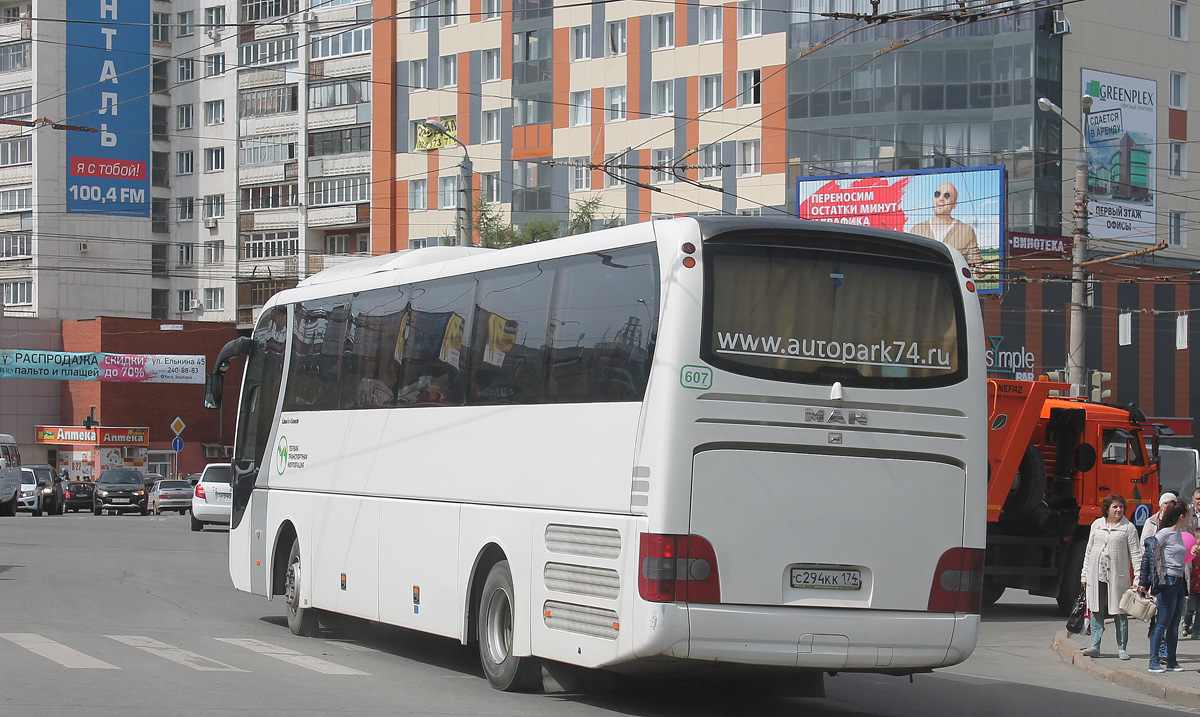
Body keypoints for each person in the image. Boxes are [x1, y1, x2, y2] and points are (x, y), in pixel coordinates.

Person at [1080, 494, 1143, 659]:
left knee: (1119, 610)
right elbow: (1089, 550)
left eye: (1121, 507)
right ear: (1107, 509)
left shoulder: (1128, 528)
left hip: (1117, 577)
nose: (1119, 510)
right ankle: (1095, 644)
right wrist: (1084, 574)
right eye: (1115, 507)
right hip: (1096, 576)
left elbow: (1136, 555)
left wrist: (1138, 578)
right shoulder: (1097, 525)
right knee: (1096, 609)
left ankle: (1122, 647)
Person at [1138, 500, 1191, 672]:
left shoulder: (1180, 534)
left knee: (1174, 624)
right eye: (1188, 515)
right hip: (1166, 582)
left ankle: (1171, 660)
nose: (1189, 518)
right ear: (1181, 516)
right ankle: (1153, 661)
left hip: (1179, 582)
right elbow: (1148, 556)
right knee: (1162, 623)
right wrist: (1143, 582)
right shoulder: (1164, 534)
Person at [909, 182, 983, 265]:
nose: (940, 198)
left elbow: (976, 266)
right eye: (937, 194)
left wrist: (985, 268)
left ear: (955, 204)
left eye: (947, 195)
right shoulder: (917, 229)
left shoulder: (966, 231)